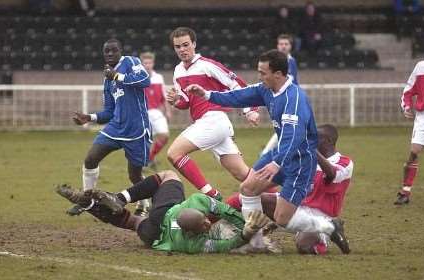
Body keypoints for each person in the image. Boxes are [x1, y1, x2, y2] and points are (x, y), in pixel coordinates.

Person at [185, 49, 350, 254]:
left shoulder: (294, 100)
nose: (260, 76)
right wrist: (207, 94)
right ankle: (256, 243)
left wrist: (277, 163)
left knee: (283, 219)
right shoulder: (267, 89)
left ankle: (330, 227)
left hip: (299, 162)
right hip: (280, 156)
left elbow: (294, 137)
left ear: (278, 74)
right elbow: (240, 96)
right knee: (248, 188)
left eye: (263, 73)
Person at [55, 170, 272, 254]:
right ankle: (97, 205)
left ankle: (106, 201)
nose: (208, 224)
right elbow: (225, 243)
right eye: (205, 225)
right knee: (130, 220)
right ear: (196, 230)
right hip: (155, 234)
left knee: (165, 177)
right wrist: (245, 231)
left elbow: (221, 215)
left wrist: (246, 225)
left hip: (164, 222)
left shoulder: (194, 207)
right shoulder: (192, 240)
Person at [227, 124, 354, 254]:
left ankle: (329, 230)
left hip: (320, 216)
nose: (311, 140)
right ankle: (256, 242)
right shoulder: (304, 160)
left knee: (304, 247)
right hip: (294, 207)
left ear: (328, 141)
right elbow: (280, 178)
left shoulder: (344, 162)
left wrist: (312, 150)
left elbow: (332, 174)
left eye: (315, 138)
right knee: (248, 196)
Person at [166, 27, 260, 201]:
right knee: (244, 175)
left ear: (194, 44)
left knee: (174, 153)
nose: (182, 50)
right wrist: (175, 101)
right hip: (209, 124)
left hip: (214, 120)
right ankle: (282, 197)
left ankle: (212, 194)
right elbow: (186, 102)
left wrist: (250, 110)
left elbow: (237, 84)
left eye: (186, 45)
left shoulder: (207, 65)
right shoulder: (178, 71)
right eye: (178, 47)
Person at [71, 38, 151, 216]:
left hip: (136, 129)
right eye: (106, 51)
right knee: (91, 159)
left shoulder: (131, 62)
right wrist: (89, 117)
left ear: (120, 51)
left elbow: (145, 80)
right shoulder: (107, 80)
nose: (109, 54)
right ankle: (87, 200)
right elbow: (109, 111)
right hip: (116, 128)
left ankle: (143, 205)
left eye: (113, 50)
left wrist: (117, 76)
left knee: (135, 175)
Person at [395, 37, 424, 205]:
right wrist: (407, 106)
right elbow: (408, 91)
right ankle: (405, 191)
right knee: (414, 151)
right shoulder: (421, 67)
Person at [260, 34, 299, 155]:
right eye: (281, 44)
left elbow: (294, 80)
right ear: (277, 46)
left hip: (290, 98)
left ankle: (269, 153)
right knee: (285, 127)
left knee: (286, 127)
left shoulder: (292, 61)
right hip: (279, 98)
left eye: (286, 44)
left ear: (290, 46)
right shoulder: (273, 63)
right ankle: (270, 153)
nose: (283, 46)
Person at [140, 52, 171, 170]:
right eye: (145, 63)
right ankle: (142, 164)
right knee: (144, 140)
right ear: (142, 64)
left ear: (153, 63)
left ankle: (150, 158)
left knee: (164, 136)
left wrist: (168, 110)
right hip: (142, 113)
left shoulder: (159, 78)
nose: (147, 65)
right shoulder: (137, 78)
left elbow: (163, 96)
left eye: (149, 63)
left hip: (157, 112)